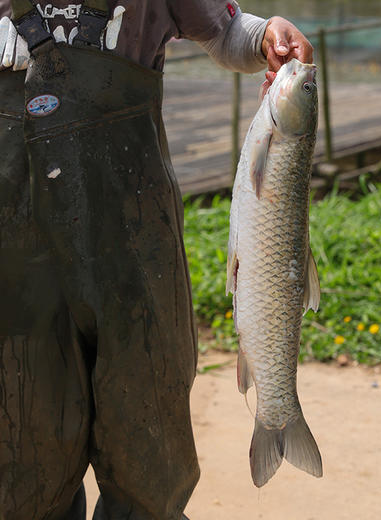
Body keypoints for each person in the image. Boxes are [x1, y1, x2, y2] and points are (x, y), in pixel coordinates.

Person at [0, 1, 313, 519]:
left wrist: (264, 38)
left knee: (148, 433)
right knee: (23, 437)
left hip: (135, 233)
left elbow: (227, 31)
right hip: (13, 245)